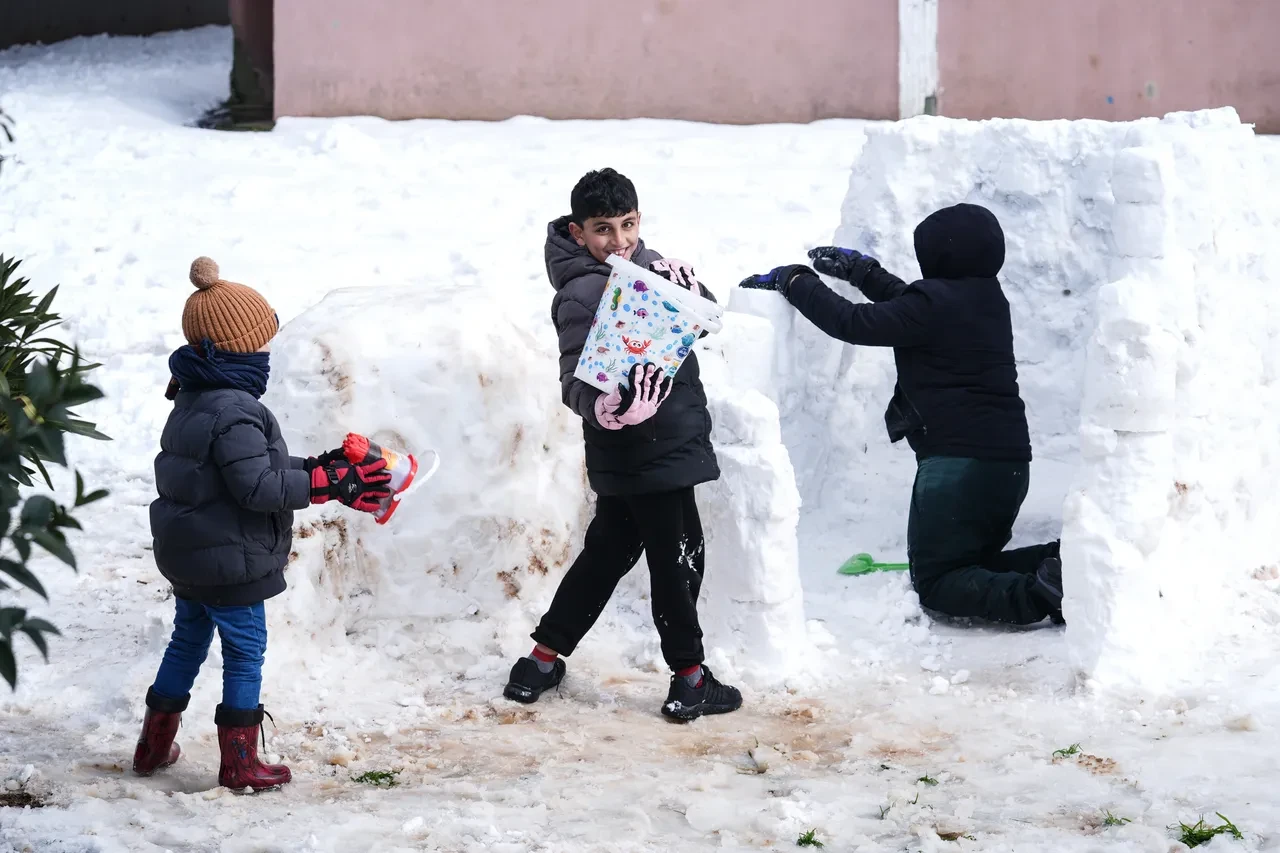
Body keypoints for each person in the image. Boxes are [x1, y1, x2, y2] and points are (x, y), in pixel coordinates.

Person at [133, 257, 393, 790]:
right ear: (238, 348)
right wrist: (331, 484)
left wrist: (316, 467)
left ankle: (153, 745)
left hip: (192, 555)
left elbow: (247, 470)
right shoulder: (235, 408)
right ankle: (240, 763)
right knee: (245, 652)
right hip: (231, 563)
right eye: (260, 344)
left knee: (187, 641)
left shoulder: (194, 397)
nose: (265, 353)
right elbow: (258, 489)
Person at [739, 203, 1063, 625]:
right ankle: (1070, 563)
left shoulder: (934, 306)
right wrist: (863, 272)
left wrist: (795, 280)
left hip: (959, 469)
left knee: (938, 582)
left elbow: (852, 321)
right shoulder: (985, 298)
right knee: (973, 563)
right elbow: (910, 306)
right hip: (1008, 467)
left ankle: (1042, 594)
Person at [503, 168, 742, 720]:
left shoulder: (652, 270)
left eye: (627, 225)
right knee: (678, 560)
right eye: (603, 229)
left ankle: (538, 662)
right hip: (641, 445)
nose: (619, 240)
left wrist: (693, 291)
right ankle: (689, 679)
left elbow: (703, 325)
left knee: (608, 553)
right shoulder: (583, 293)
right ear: (578, 232)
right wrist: (606, 409)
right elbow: (574, 380)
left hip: (662, 440)